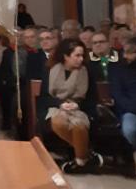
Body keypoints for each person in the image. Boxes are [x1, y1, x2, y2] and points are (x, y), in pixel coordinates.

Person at [42, 39, 100, 173]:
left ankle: (80, 160)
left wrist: (77, 104)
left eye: (82, 56)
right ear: (66, 56)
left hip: (79, 109)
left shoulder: (86, 71)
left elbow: (92, 97)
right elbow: (45, 97)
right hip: (56, 107)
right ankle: (87, 154)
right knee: (60, 123)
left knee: (79, 126)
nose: (80, 59)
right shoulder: (51, 70)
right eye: (77, 55)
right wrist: (60, 103)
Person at [109, 38, 136, 178]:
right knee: (131, 129)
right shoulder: (118, 70)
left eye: (130, 53)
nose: (125, 56)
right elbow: (119, 97)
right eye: (124, 52)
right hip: (131, 111)